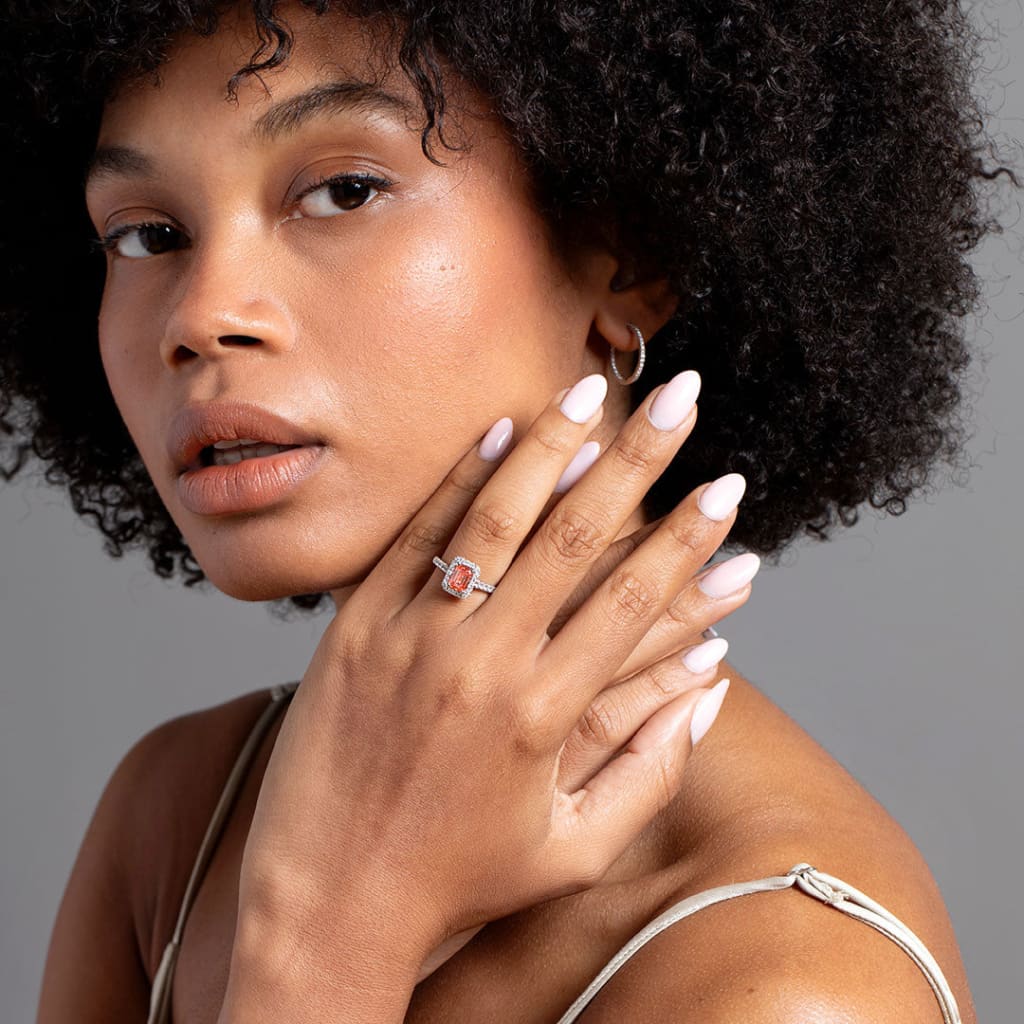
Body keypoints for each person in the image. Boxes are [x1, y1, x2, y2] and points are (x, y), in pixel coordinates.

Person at [2, 1, 1014, 1020]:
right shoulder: (177, 817)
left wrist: (332, 942)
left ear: (630, 260)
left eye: (344, 190)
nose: (200, 315)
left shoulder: (786, 980)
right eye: (147, 235)